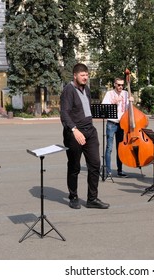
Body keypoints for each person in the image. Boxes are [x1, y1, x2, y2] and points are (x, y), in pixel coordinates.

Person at [60, 63, 110, 210]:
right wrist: (75, 130)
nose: (85, 78)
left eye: (87, 75)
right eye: (82, 75)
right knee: (74, 166)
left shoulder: (86, 89)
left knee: (95, 164)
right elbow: (64, 114)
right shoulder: (68, 91)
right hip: (74, 132)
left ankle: (92, 199)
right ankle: (73, 196)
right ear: (75, 75)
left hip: (90, 131)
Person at [101, 77, 133, 178]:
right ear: (114, 84)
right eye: (118, 85)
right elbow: (103, 107)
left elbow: (129, 109)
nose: (120, 87)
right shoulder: (109, 94)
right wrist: (113, 102)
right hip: (111, 123)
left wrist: (132, 101)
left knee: (120, 148)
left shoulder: (126, 93)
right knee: (109, 148)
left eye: (122, 85)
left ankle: (120, 170)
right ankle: (108, 171)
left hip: (122, 124)